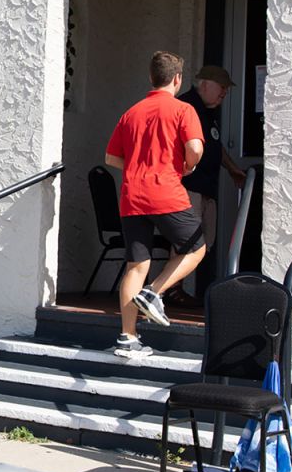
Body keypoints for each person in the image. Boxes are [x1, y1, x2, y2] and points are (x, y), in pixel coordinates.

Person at [104, 51, 207, 358]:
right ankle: (154, 292)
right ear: (177, 79)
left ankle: (127, 336)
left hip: (132, 195)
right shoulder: (182, 109)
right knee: (196, 246)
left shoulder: (131, 112)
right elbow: (195, 148)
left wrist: (138, 168)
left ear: (151, 78)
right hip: (165, 191)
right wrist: (188, 165)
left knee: (136, 265)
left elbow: (110, 157)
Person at [172, 65, 247, 303]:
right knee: (185, 239)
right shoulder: (185, 106)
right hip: (187, 186)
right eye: (222, 87)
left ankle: (173, 289)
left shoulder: (207, 111)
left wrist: (234, 169)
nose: (224, 93)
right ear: (204, 84)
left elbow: (215, 146)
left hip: (206, 187)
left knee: (204, 242)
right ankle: (170, 291)